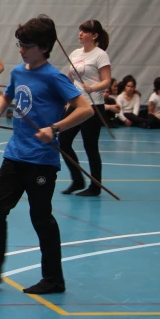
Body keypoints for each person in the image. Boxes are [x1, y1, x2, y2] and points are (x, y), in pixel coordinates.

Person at [0, 15, 93, 295]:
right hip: (15, 155)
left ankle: (53, 279)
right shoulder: (19, 72)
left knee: (41, 217)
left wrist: (54, 128)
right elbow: (7, 96)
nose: (21, 49)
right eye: (19, 44)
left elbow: (86, 109)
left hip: (41, 162)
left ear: (45, 48)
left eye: (27, 45)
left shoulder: (54, 77)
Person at [59, 19, 111, 197]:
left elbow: (107, 81)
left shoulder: (100, 54)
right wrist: (65, 96)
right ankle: (77, 180)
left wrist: (93, 88)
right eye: (80, 30)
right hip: (76, 104)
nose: (80, 33)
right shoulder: (74, 53)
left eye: (85, 31)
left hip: (93, 105)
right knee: (63, 142)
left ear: (94, 35)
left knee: (90, 146)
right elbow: (69, 78)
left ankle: (95, 186)